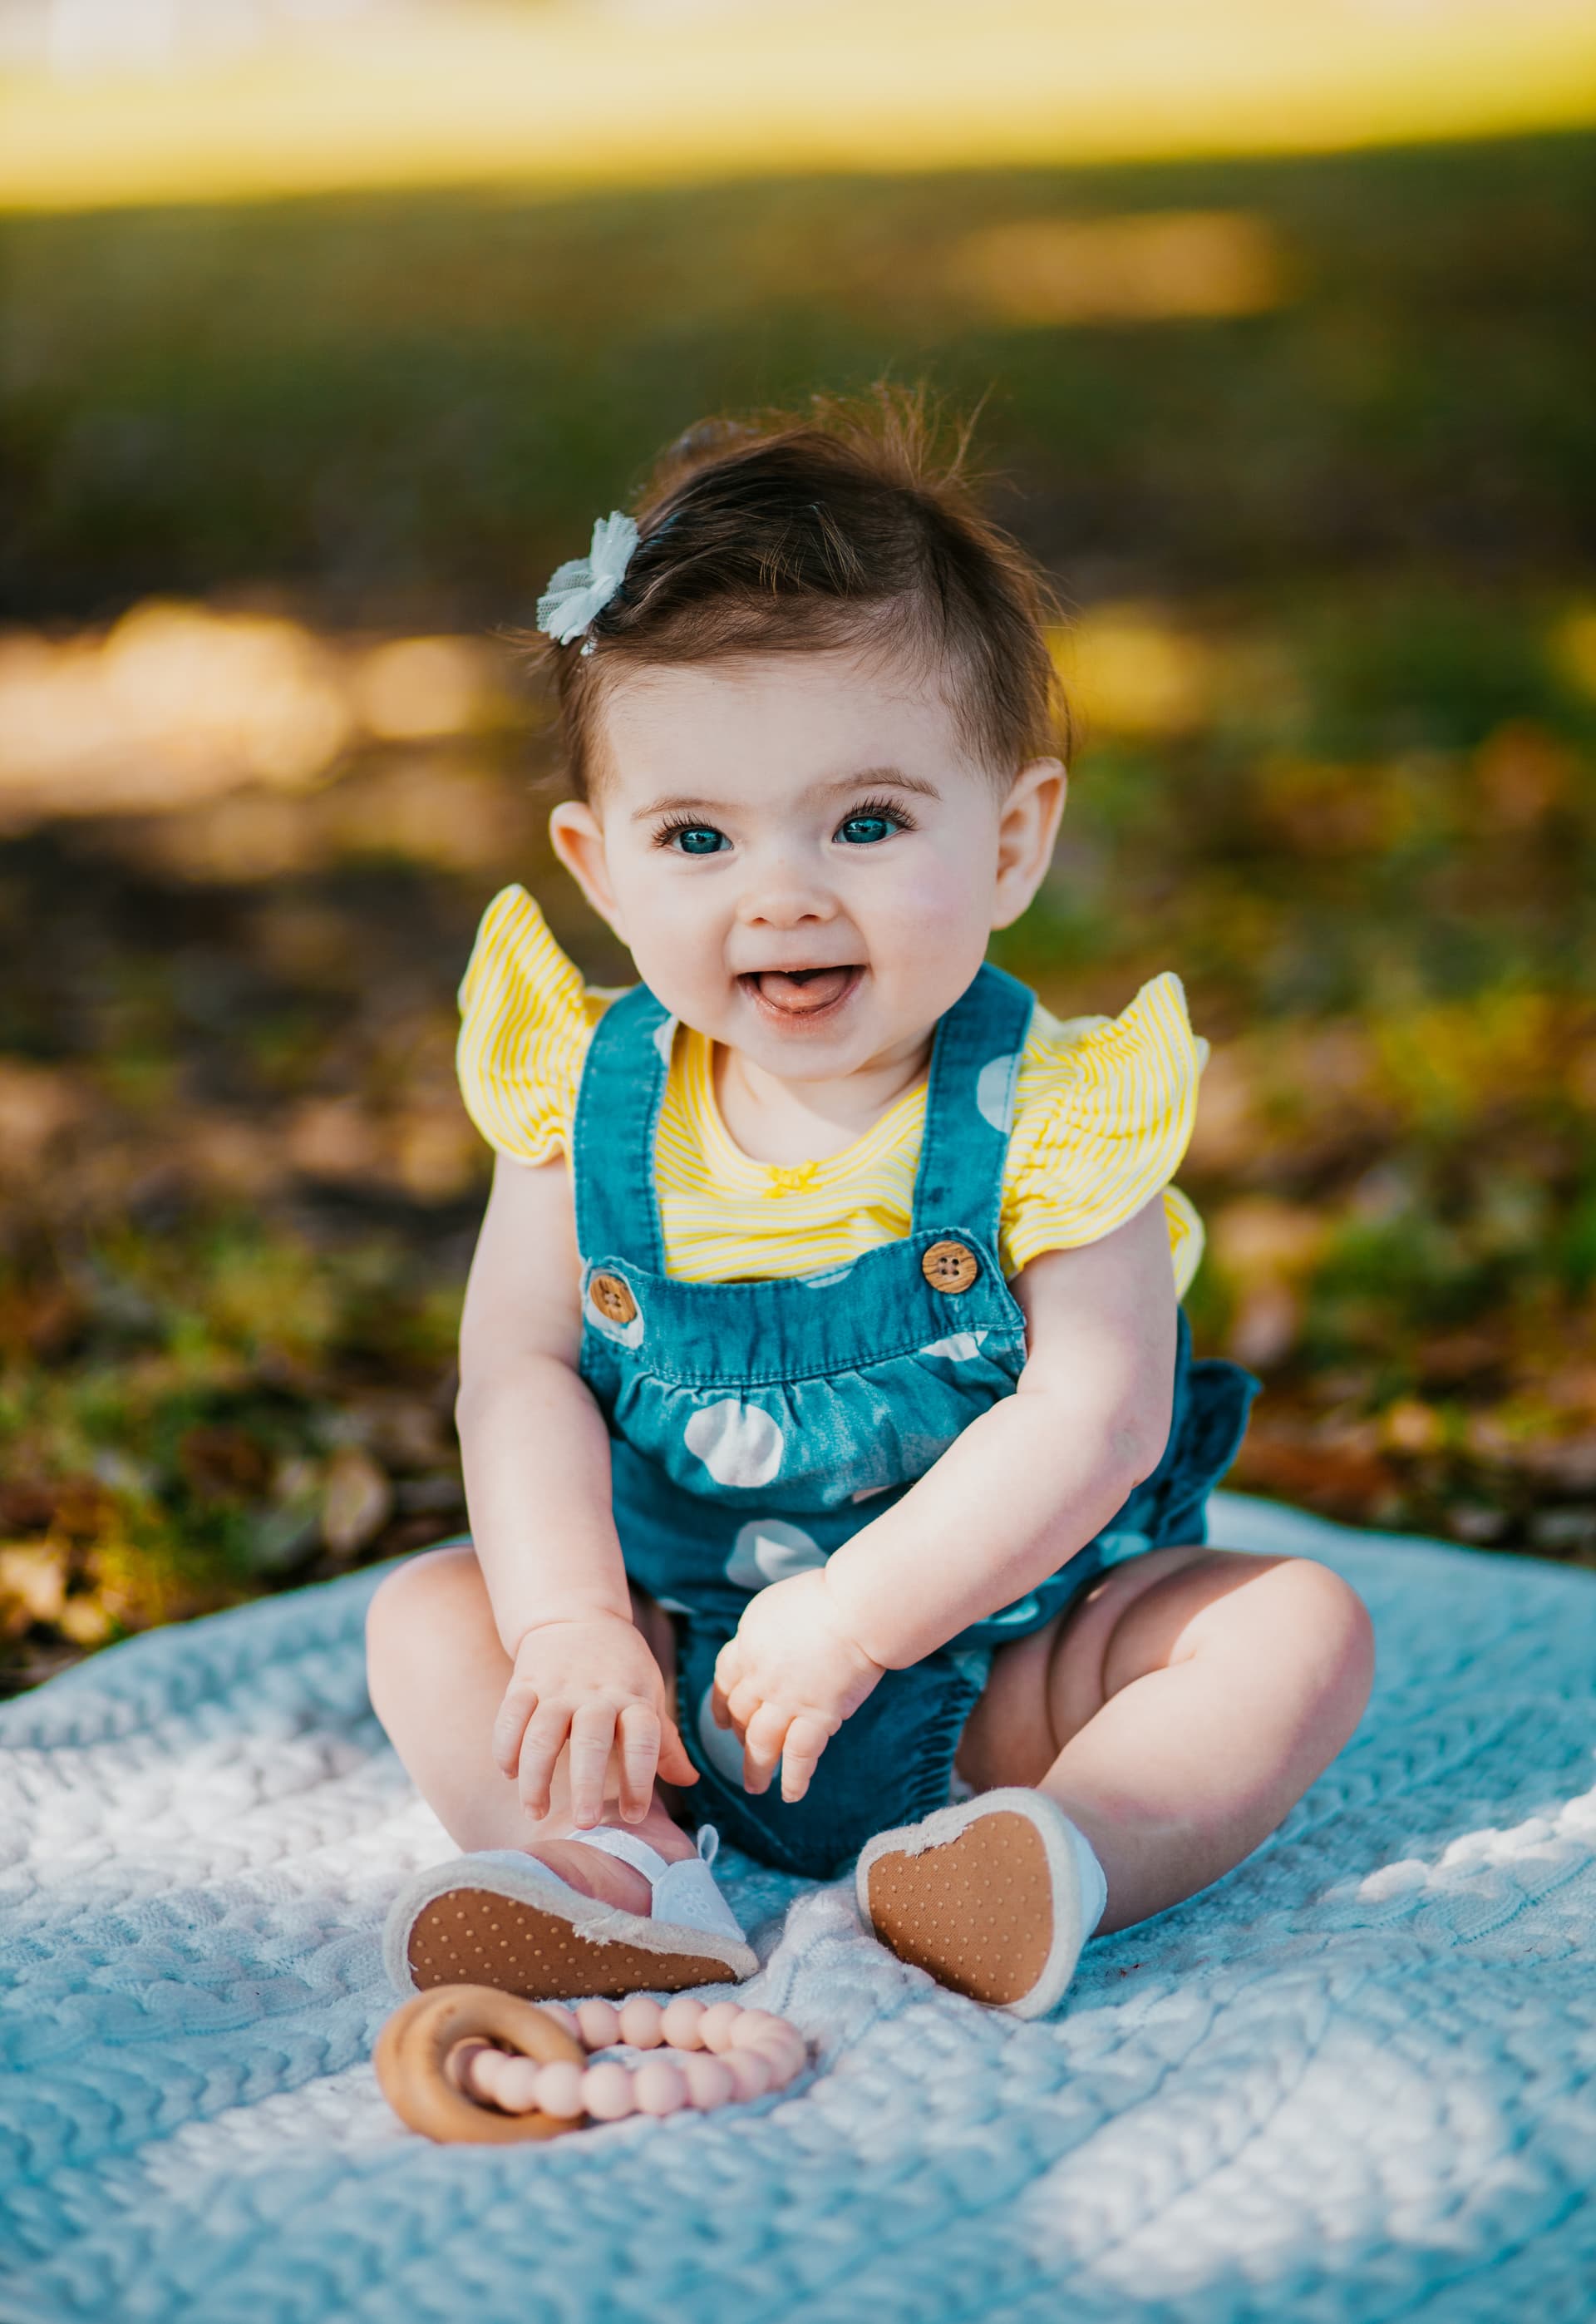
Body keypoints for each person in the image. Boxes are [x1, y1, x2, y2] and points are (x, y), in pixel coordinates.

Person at [369, 387, 1372, 2021]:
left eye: (866, 820)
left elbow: (1101, 1417)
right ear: (599, 866)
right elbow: (522, 1372)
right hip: (672, 1675)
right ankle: (621, 1873)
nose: (782, 890)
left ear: (1012, 840)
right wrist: (568, 1631)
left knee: (1295, 1628)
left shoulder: (1051, 1112)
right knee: (427, 1618)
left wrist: (862, 1615)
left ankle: (1058, 1851)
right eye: (697, 834)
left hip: (1012, 1674)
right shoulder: (584, 1096)